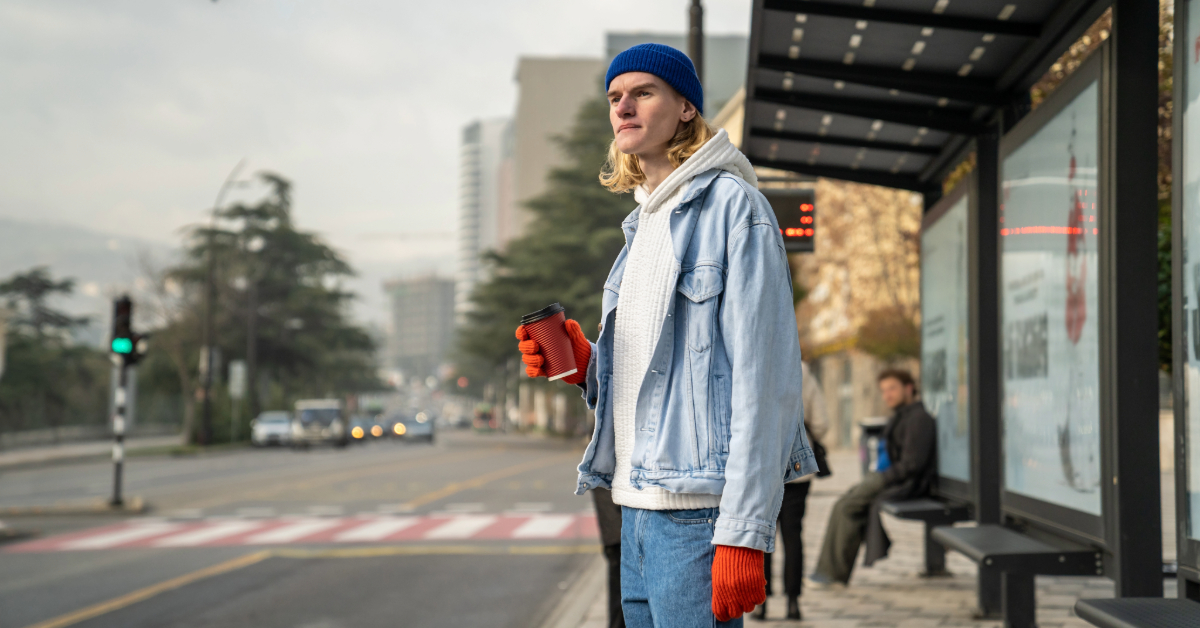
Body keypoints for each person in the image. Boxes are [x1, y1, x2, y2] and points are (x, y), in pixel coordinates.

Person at [515, 43, 817, 627]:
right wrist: (584, 364)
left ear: (685, 108)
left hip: (696, 519)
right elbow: (658, 385)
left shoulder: (736, 209)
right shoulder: (641, 226)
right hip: (632, 508)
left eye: (643, 92)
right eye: (614, 97)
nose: (623, 106)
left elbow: (767, 383)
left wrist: (743, 532)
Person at [806, 369, 936, 588]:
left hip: (905, 483)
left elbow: (912, 464)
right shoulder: (901, 416)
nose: (887, 395)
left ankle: (832, 575)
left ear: (909, 388)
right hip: (892, 478)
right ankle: (828, 573)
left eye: (892, 389)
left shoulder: (919, 418)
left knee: (847, 506)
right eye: (883, 391)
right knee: (844, 503)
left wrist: (883, 477)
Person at [752, 361, 829, 621]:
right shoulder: (801, 370)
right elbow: (821, 423)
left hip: (763, 468)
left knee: (762, 535)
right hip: (797, 468)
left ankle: (761, 603)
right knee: (793, 535)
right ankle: (793, 603)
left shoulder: (756, 364)